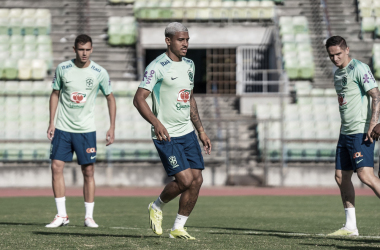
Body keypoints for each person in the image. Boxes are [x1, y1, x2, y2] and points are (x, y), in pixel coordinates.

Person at [133, 22, 211, 239]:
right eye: (180, 40)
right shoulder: (157, 66)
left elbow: (190, 98)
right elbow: (138, 99)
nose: (185, 44)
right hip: (166, 134)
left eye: (187, 40)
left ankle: (178, 227)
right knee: (185, 181)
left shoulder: (189, 65)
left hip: (187, 132)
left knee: (197, 180)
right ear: (168, 41)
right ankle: (156, 206)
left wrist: (201, 130)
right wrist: (156, 123)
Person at [45, 34, 116, 228]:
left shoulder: (99, 72)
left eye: (87, 50)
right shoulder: (63, 68)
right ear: (74, 49)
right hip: (62, 128)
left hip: (86, 130)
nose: (84, 53)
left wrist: (112, 127)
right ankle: (61, 215)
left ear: (92, 50)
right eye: (81, 49)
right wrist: (51, 122)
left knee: (88, 171)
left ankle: (88, 217)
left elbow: (110, 98)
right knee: (56, 167)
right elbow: (55, 94)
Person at [326, 36, 380, 236]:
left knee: (366, 176)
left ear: (347, 50)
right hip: (345, 132)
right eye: (331, 55)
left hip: (360, 130)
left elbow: (376, 94)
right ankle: (350, 227)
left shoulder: (360, 68)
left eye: (338, 54)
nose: (335, 58)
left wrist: (373, 123)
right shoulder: (338, 74)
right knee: (341, 177)